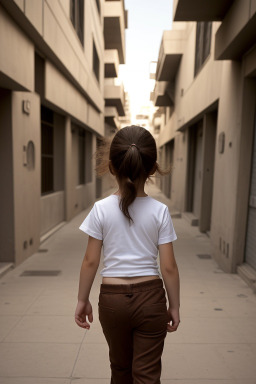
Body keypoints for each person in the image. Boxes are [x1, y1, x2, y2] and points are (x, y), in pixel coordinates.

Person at [75, 125, 180, 384]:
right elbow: (168, 267)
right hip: (151, 300)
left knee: (120, 370)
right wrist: (174, 305)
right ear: (153, 168)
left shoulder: (100, 209)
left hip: (112, 301)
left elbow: (90, 260)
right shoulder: (160, 211)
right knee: (146, 375)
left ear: (111, 167)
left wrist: (82, 299)